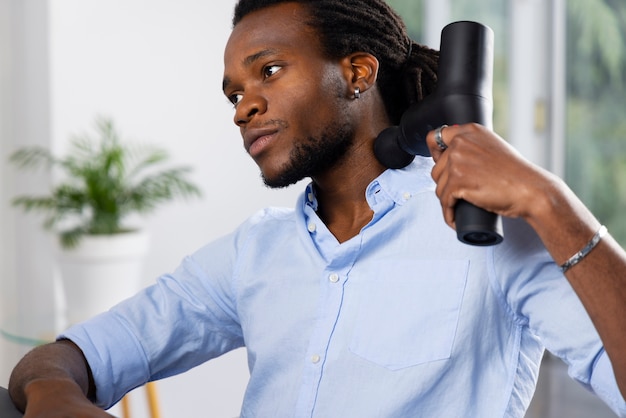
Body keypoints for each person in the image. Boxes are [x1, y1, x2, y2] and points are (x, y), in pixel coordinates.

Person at [6, 0, 626, 416]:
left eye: (268, 71)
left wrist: (550, 203)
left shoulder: (487, 231)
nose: (242, 108)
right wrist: (56, 390)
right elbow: (61, 357)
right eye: (234, 94)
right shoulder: (255, 252)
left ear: (357, 72)